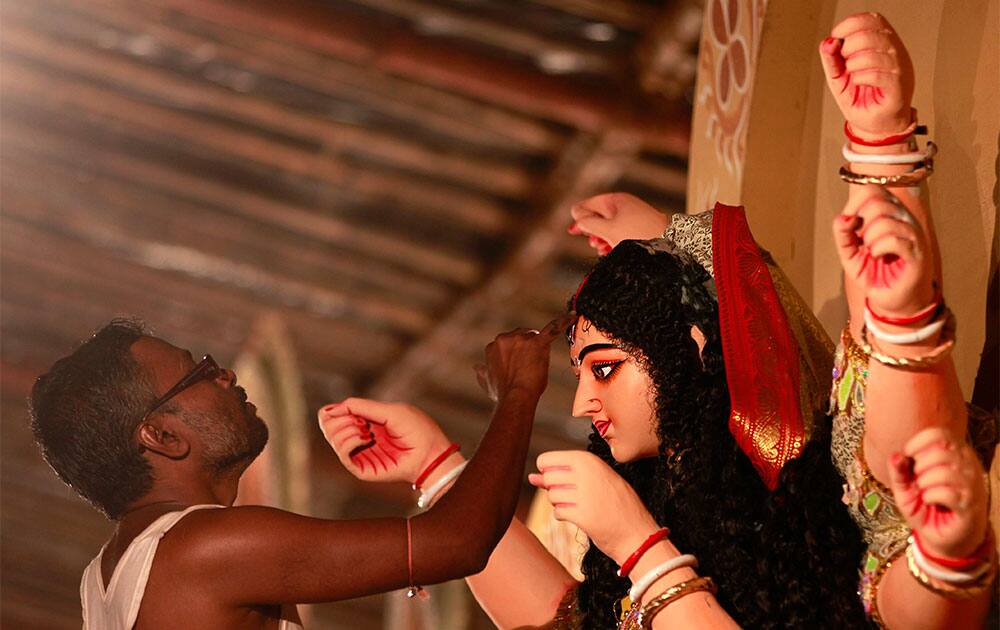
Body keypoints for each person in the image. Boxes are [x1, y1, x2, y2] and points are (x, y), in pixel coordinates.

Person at [323, 13, 994, 629]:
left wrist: (880, 148)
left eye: (605, 369)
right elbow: (565, 618)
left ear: (694, 347)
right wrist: (439, 468)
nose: (584, 401)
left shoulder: (798, 464)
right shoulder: (650, 504)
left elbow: (899, 543)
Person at [28, 314, 573, 629]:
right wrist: (517, 392)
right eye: (199, 372)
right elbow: (457, 543)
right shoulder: (201, 547)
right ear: (163, 435)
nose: (225, 376)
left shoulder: (106, 576)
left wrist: (431, 467)